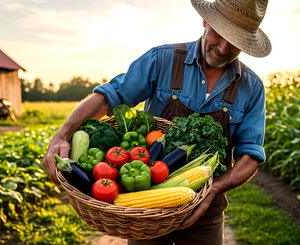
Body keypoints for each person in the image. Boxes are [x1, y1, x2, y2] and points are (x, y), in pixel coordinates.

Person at [43, 0, 271, 244]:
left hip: (206, 211)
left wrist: (214, 189)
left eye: (235, 41)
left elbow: (251, 155)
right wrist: (62, 134)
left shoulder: (252, 87)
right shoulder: (163, 60)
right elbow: (110, 97)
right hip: (146, 210)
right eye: (219, 33)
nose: (223, 48)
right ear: (206, 21)